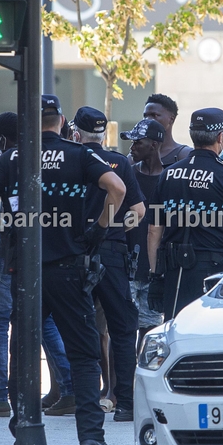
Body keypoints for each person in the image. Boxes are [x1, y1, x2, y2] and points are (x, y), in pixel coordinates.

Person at [0, 95, 126, 445]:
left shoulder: (12, 158)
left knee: (22, 351)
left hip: (26, 273)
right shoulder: (79, 154)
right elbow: (117, 189)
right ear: (62, 121)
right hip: (70, 267)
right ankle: (92, 439)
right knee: (84, 356)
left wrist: (7, 230)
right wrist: (98, 230)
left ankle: (23, 426)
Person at [0, 113, 74, 418]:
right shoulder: (50, 158)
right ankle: (70, 388)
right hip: (50, 249)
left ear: (1, 139)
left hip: (12, 250)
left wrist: (1, 225)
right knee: (44, 320)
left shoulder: (5, 161)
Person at [71, 107, 145, 423]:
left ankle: (86, 400)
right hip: (112, 253)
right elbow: (139, 210)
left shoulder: (70, 159)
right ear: (104, 135)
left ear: (76, 134)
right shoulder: (120, 162)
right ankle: (125, 403)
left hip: (75, 253)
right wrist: (117, 229)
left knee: (80, 327)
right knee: (123, 328)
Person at [147, 107, 223, 321]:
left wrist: (155, 275)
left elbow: (153, 231)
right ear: (220, 137)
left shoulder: (169, 174)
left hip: (173, 272)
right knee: (208, 330)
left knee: (175, 329)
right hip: (212, 272)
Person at [122, 118, 166, 339]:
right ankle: (121, 376)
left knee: (151, 333)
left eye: (138, 142)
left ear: (155, 145)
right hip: (127, 267)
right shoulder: (127, 174)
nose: (132, 147)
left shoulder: (169, 177)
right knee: (123, 332)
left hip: (156, 271)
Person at [137, 94, 192, 166]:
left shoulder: (185, 154)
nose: (148, 119)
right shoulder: (136, 155)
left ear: (171, 119)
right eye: (145, 116)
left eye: (154, 115)